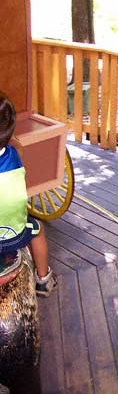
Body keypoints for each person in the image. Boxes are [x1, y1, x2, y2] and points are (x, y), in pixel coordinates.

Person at [0, 92, 57, 297]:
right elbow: (17, 144)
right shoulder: (15, 156)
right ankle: (43, 279)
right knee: (37, 229)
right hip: (13, 236)